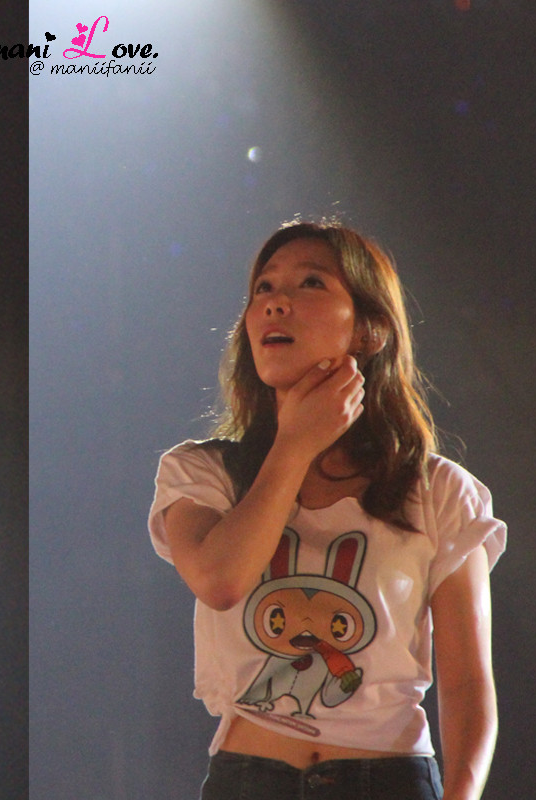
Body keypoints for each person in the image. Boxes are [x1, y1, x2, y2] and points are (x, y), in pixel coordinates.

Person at [147, 220, 503, 800]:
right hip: (250, 779)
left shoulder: (438, 491)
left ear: (369, 330)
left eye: (310, 283)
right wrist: (294, 444)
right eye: (263, 288)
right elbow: (220, 581)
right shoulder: (201, 473)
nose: (275, 303)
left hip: (387, 780)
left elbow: (466, 684)